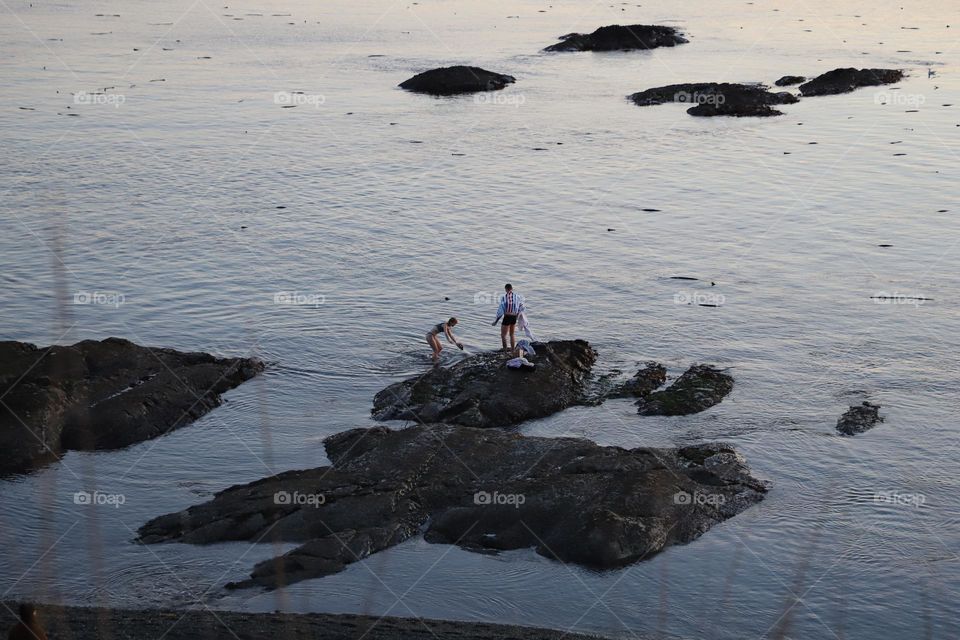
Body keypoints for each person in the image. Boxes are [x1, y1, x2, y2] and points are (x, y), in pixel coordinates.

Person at [492, 283, 524, 351]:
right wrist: (517, 316)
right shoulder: (517, 297)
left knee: (503, 335)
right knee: (512, 334)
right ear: (512, 289)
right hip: (514, 317)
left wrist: (496, 321)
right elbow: (522, 307)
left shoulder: (504, 297)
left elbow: (500, 310)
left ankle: (505, 352)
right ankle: (513, 350)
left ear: (506, 289)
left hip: (507, 317)